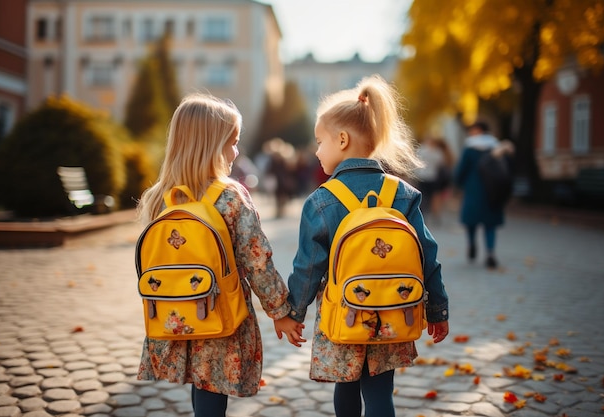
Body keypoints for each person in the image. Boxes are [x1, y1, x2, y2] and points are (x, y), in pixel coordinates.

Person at [285, 75, 450, 417]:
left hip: (343, 312)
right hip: (393, 309)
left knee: (345, 387)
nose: (316, 151)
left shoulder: (321, 201)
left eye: (320, 142)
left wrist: (293, 314)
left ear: (342, 140)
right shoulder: (402, 193)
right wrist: (438, 309)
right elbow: (427, 255)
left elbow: (308, 266)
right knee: (379, 392)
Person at [135, 93, 304, 417]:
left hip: (174, 309)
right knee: (212, 388)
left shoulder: (160, 198)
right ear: (213, 145)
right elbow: (257, 260)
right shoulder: (229, 197)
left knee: (201, 388)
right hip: (221, 313)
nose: (236, 151)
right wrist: (279, 310)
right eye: (233, 142)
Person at [454, 120, 514, 269]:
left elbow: (461, 170)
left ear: (478, 130)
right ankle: (490, 252)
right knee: (490, 224)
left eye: (472, 130)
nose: (470, 133)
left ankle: (472, 244)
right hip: (492, 190)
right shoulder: (496, 147)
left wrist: (458, 184)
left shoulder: (470, 148)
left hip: (473, 189)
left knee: (471, 221)